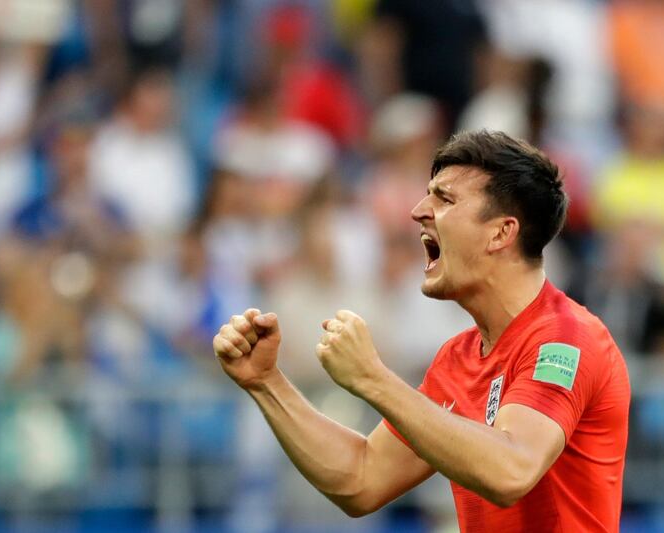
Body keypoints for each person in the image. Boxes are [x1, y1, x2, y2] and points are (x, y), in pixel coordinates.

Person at [212, 130, 630, 532]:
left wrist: (372, 379)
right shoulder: (458, 358)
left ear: (502, 232)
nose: (418, 210)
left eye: (444, 198)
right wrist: (267, 383)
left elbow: (512, 470)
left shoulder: (565, 337)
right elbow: (361, 479)